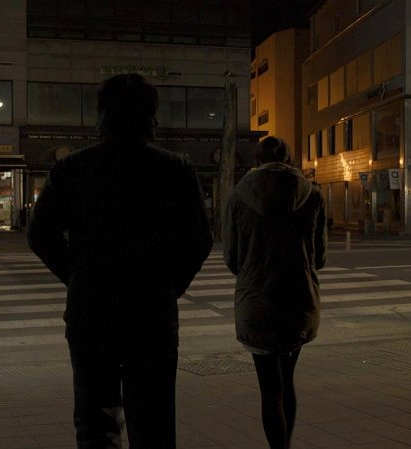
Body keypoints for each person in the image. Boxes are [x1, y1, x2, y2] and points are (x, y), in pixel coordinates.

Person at [28, 73, 213, 449]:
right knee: (154, 422)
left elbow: (40, 234)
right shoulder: (174, 170)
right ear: (150, 117)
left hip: (92, 310)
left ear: (102, 115)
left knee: (96, 424)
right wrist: (168, 285)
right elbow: (199, 241)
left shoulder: (72, 169)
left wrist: (77, 275)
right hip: (152, 312)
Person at [222, 136, 327, 449]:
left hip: (258, 301)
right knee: (287, 379)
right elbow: (319, 257)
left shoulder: (239, 196)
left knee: (270, 389)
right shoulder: (312, 195)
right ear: (290, 160)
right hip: (298, 298)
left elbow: (232, 257)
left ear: (257, 161)